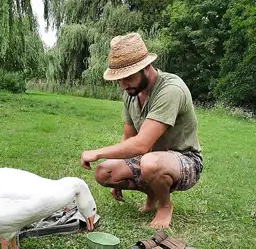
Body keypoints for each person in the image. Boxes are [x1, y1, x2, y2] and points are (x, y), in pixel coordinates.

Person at [80, 32, 203, 229]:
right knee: (104, 172)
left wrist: (98, 152)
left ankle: (164, 206)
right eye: (119, 80)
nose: (123, 85)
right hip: (149, 158)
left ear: (146, 67)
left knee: (150, 162)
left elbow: (141, 145)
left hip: (185, 161)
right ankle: (152, 193)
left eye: (127, 77)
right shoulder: (131, 93)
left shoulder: (170, 89)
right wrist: (118, 176)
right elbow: (128, 138)